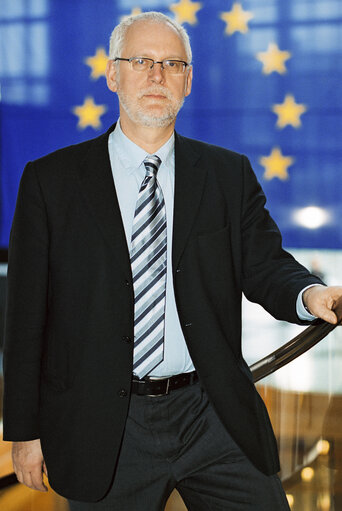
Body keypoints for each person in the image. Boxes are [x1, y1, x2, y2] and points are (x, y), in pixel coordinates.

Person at [2, 11, 342, 511]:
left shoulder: (228, 175)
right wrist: (23, 431)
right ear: (113, 74)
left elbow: (265, 262)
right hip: (104, 423)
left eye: (172, 64)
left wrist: (310, 293)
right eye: (141, 61)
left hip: (213, 413)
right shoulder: (50, 182)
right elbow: (26, 319)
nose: (157, 75)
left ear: (188, 81)